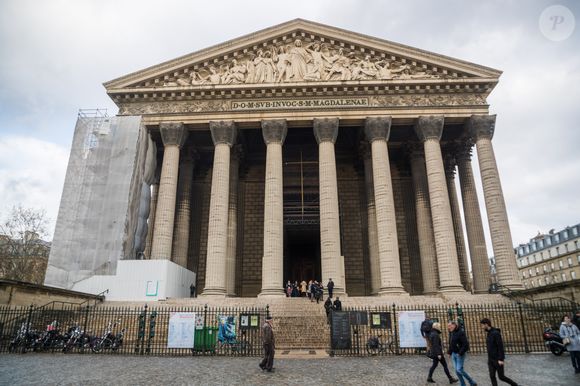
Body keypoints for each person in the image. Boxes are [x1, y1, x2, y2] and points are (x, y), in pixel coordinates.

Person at [480, 318, 518, 386]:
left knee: (501, 377)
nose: (482, 327)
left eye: (482, 325)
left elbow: (500, 347)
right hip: (490, 359)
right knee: (492, 376)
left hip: (497, 359)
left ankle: (515, 385)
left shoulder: (496, 333)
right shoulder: (489, 333)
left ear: (486, 324)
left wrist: (501, 359)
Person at [447, 321, 477, 386]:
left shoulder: (461, 332)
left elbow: (465, 344)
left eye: (450, 326)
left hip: (459, 354)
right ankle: (463, 384)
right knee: (457, 371)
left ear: (454, 325)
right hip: (453, 354)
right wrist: (449, 352)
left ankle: (471, 381)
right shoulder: (451, 333)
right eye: (448, 326)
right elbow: (451, 344)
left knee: (459, 369)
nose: (448, 327)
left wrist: (460, 353)